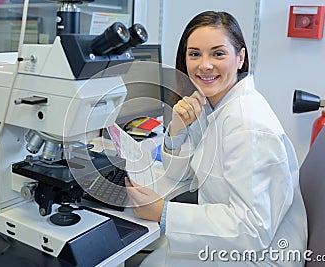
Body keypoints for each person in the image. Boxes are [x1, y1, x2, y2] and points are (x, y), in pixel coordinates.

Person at [125, 10, 307, 266]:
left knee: (144, 261)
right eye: (195, 54)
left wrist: (162, 212)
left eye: (218, 53)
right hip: (236, 240)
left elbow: (252, 230)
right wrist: (176, 130)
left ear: (240, 57)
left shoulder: (247, 124)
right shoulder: (218, 106)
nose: (205, 65)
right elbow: (186, 175)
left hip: (260, 254)